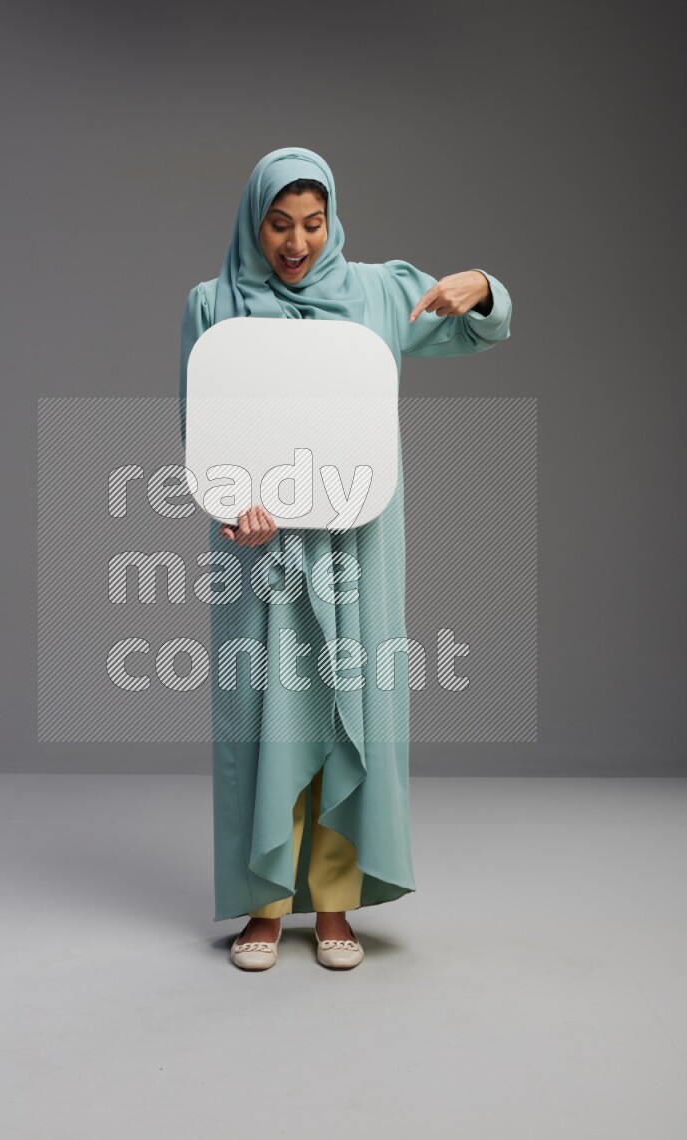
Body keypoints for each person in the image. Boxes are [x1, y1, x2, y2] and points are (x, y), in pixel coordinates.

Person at [178, 146, 512, 971]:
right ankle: (263, 905)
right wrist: (231, 505)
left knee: (348, 709)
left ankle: (333, 905)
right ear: (254, 222)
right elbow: (202, 425)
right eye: (280, 224)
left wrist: (486, 284)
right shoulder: (213, 303)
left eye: (313, 223)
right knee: (264, 716)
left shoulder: (376, 292)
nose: (298, 243)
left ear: (332, 221)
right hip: (259, 553)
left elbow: (475, 328)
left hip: (357, 538)